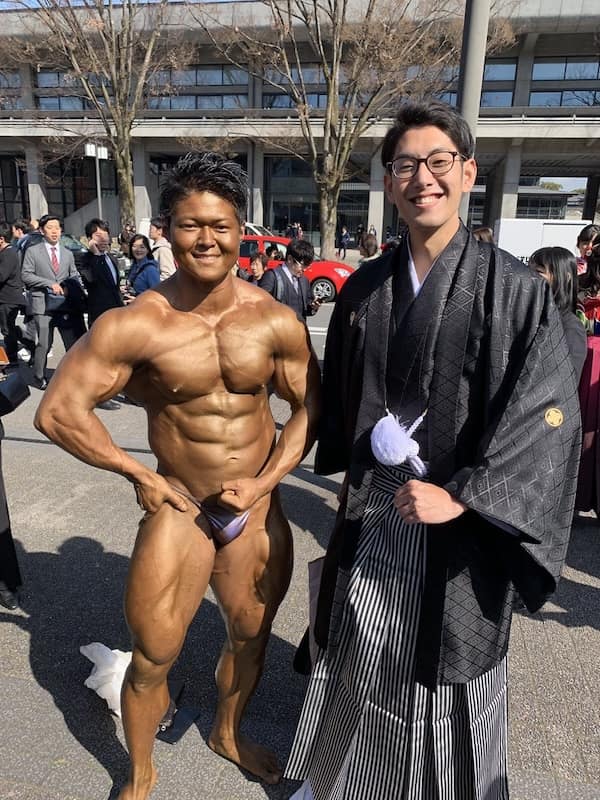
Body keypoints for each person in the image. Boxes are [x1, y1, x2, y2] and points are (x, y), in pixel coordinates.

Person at [285, 100, 581, 800]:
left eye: (439, 162)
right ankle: (340, 784)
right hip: (376, 511)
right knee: (359, 653)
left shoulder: (515, 291)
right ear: (390, 183)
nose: (424, 178)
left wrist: (465, 495)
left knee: (446, 672)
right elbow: (342, 397)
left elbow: (546, 413)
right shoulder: (364, 289)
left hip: (462, 527)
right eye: (406, 165)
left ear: (468, 172)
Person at [34, 151, 321, 799]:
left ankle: (228, 733)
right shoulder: (136, 324)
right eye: (191, 225)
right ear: (167, 229)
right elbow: (58, 411)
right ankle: (139, 773)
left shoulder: (273, 319)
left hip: (254, 507)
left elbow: (311, 410)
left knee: (251, 638)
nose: (207, 239)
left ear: (242, 230)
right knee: (153, 653)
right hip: (181, 505)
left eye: (220, 225)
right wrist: (134, 471)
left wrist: (265, 482)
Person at [21, 214, 85, 390]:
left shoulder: (67, 253)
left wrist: (70, 286)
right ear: (42, 231)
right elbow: (26, 275)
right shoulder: (33, 251)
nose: (54, 231)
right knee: (44, 343)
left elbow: (73, 274)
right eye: (50, 228)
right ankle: (39, 376)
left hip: (63, 303)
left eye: (57, 227)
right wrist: (49, 283)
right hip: (42, 304)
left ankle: (73, 375)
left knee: (70, 341)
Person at [528, 246, 587, 380]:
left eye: (538, 272)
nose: (529, 277)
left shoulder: (571, 326)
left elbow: (566, 379)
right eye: (528, 270)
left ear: (565, 277)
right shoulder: (531, 316)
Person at [259, 239, 321, 322]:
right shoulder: (272, 277)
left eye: (307, 266)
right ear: (290, 259)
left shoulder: (304, 280)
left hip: (299, 328)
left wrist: (313, 307)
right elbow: (261, 307)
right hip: (279, 327)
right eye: (303, 265)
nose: (304, 269)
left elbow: (306, 308)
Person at [0, 223, 26, 367]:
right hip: (7, 297)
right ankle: (28, 343)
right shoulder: (6, 252)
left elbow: (1, 275)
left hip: (9, 298)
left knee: (7, 329)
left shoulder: (8, 253)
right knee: (9, 327)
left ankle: (12, 358)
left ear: (1, 239)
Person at [124, 235, 160, 300]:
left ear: (147, 250)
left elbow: (157, 296)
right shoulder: (134, 266)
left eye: (142, 247)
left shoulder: (151, 270)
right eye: (135, 246)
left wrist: (137, 300)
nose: (138, 250)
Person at [149, 216, 176, 280]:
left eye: (151, 229)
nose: (149, 231)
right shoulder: (157, 248)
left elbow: (168, 274)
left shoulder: (163, 249)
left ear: (159, 231)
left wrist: (153, 283)